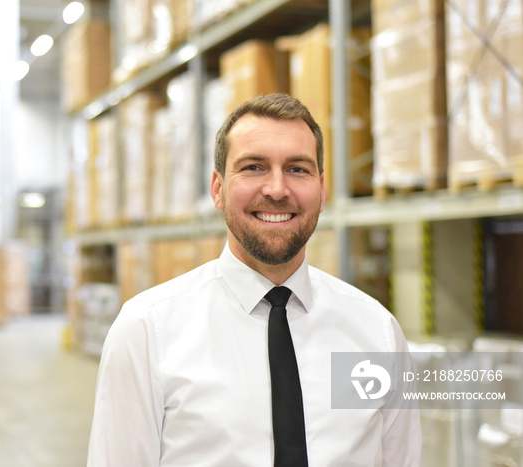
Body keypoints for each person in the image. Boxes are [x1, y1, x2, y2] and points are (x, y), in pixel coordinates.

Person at [86, 93, 421, 466]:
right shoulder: (148, 332)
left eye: (297, 169)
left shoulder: (376, 332)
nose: (277, 189)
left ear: (322, 191)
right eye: (253, 167)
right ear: (218, 189)